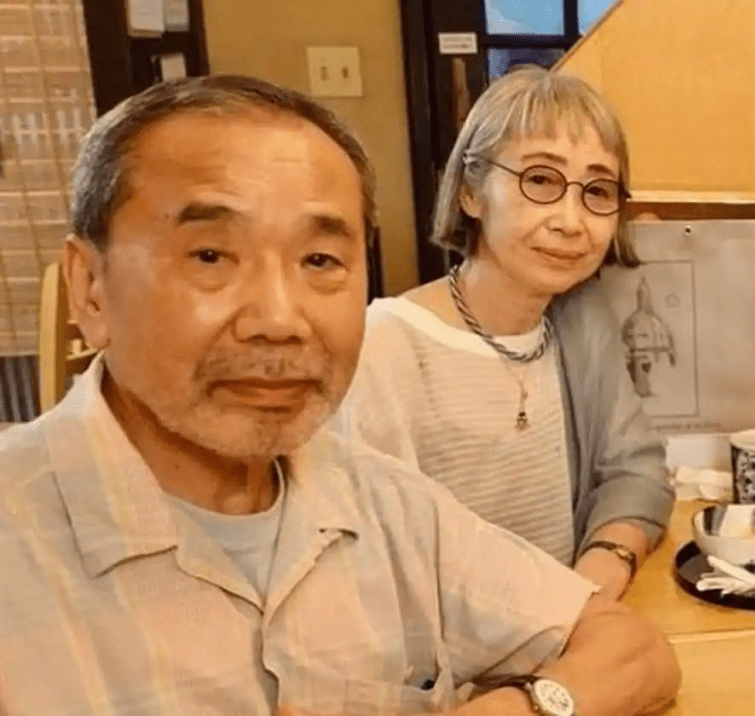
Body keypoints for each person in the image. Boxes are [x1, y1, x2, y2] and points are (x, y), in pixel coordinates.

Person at [0, 75, 680, 715]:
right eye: (211, 255)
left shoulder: (387, 506)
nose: (278, 319)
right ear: (90, 289)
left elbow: (634, 648)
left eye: (319, 261)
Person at [335, 68, 674, 600]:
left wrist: (606, 561)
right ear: (471, 192)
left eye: (597, 190)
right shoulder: (385, 347)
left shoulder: (579, 321)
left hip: (571, 628)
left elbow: (637, 470)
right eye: (540, 180)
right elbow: (375, 572)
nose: (571, 221)